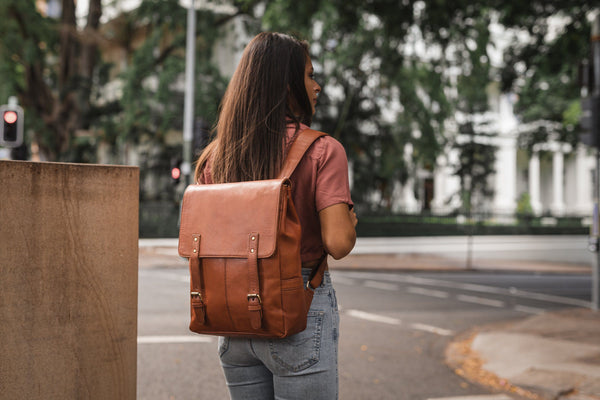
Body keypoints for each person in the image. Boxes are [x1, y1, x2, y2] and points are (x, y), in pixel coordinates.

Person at [194, 32, 357, 400]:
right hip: (298, 311)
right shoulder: (323, 150)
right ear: (287, 85)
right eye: (310, 75)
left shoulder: (215, 158)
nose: (317, 86)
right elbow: (339, 242)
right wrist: (350, 218)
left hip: (233, 314)